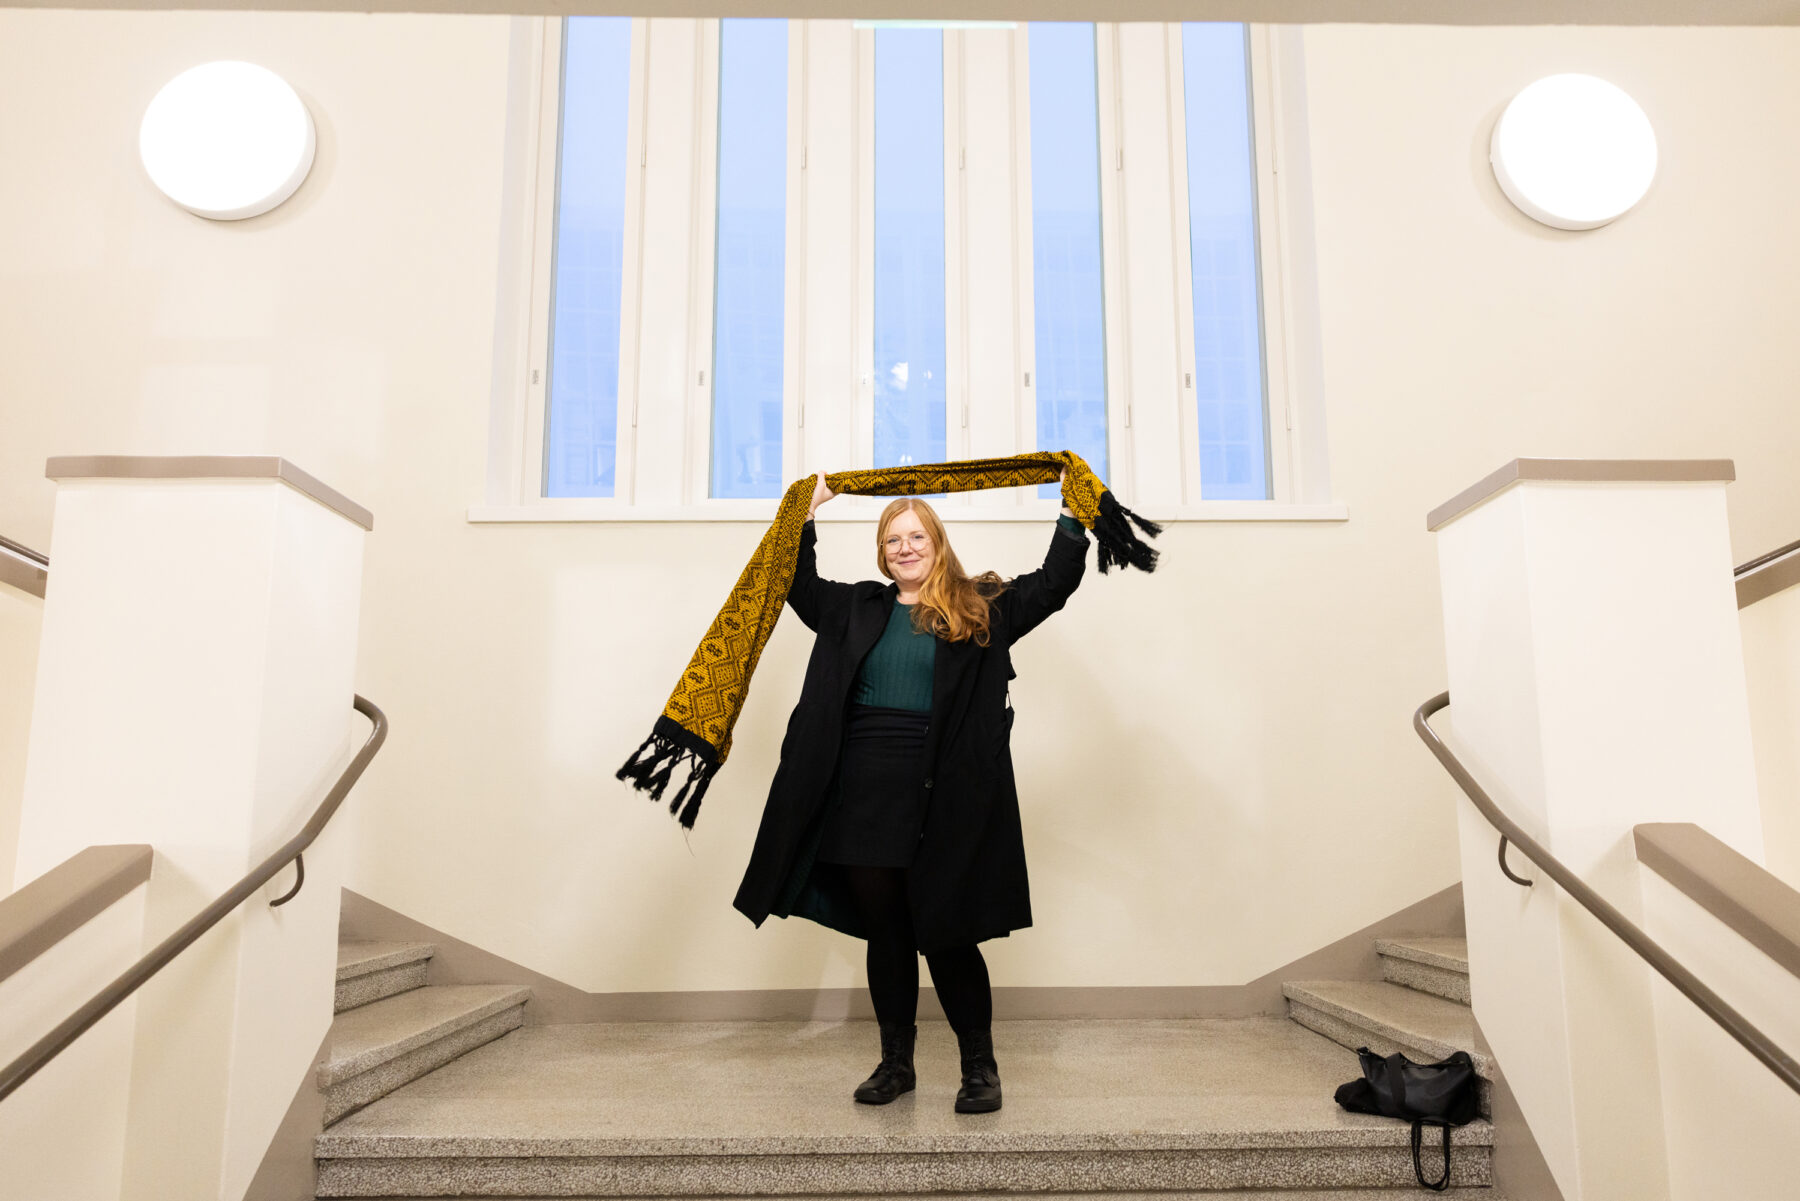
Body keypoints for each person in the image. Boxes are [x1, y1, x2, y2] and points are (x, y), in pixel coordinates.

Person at [730, 469, 1090, 1113]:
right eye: (892, 538)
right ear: (881, 551)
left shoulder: (982, 605)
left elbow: (1055, 583)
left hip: (945, 794)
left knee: (947, 932)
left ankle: (979, 1068)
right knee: (888, 933)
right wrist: (801, 516)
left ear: (937, 543)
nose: (904, 548)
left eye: (916, 536)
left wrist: (1073, 515)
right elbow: (796, 582)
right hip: (863, 794)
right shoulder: (855, 607)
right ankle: (896, 1063)